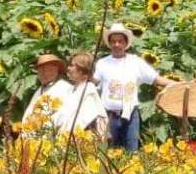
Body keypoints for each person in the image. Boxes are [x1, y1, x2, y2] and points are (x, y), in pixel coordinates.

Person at [94, 23, 176, 151]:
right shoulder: (102, 63)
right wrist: (84, 74)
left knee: (131, 153)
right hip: (109, 115)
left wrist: (177, 84)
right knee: (107, 153)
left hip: (131, 114)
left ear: (126, 43)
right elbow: (94, 83)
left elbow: (155, 79)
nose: (117, 44)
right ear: (109, 43)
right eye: (113, 41)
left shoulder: (135, 62)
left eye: (120, 41)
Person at [56, 52, 109, 137]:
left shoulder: (89, 92)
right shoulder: (73, 89)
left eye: (72, 65)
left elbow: (86, 122)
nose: (68, 68)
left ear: (83, 71)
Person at [22, 53, 72, 124]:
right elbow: (29, 111)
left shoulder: (65, 88)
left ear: (55, 70)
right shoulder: (40, 89)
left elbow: (64, 115)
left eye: (44, 69)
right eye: (39, 70)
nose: (41, 73)